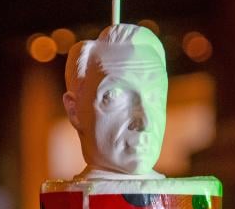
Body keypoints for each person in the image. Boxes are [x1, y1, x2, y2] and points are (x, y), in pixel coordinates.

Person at [63, 24, 168, 178]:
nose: (145, 123)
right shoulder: (69, 194)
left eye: (156, 96)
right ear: (74, 110)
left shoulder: (189, 193)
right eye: (114, 96)